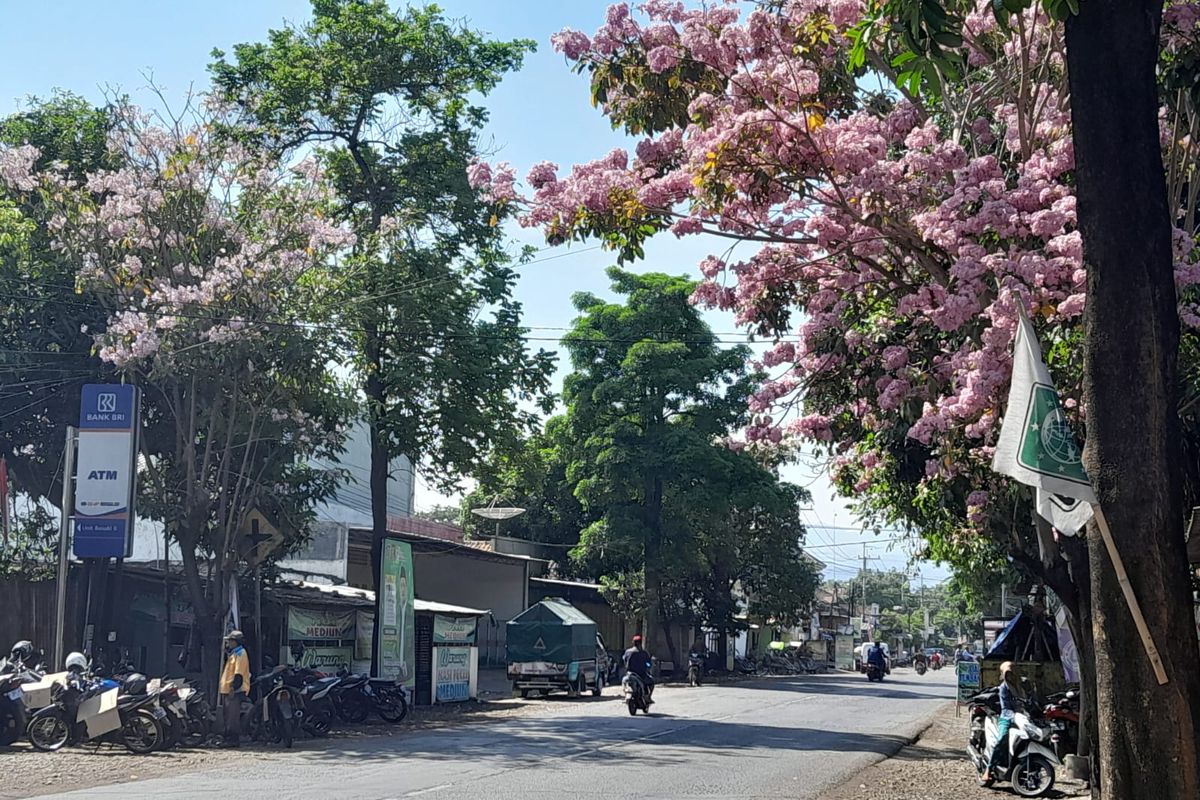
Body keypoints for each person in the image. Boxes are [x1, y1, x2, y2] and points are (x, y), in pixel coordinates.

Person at [985, 661, 1026, 780]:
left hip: (1022, 718)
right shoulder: (1003, 688)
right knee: (1002, 739)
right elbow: (1006, 707)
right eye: (1008, 673)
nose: (1011, 675)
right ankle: (989, 768)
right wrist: (1015, 715)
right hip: (1007, 717)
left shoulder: (1022, 686)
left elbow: (1029, 700)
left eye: (1012, 673)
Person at [220, 630, 251, 747]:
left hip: (234, 690)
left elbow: (238, 675)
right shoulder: (234, 653)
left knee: (232, 717)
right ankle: (228, 738)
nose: (229, 643)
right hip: (228, 689)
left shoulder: (240, 654)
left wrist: (233, 688)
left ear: (236, 642)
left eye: (231, 641)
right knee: (228, 716)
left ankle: (233, 740)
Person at [622, 634, 655, 703]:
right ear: (640, 643)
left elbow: (624, 660)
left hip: (630, 673)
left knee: (624, 682)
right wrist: (648, 666)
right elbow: (648, 663)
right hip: (641, 675)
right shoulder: (643, 653)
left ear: (633, 643)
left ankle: (627, 695)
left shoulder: (628, 652)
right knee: (652, 682)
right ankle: (648, 697)